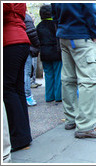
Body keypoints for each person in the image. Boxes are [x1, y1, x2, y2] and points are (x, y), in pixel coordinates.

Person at [51, 3, 96, 138]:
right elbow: (90, 9)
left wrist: (61, 27)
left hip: (64, 35)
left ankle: (71, 119)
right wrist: (94, 33)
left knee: (68, 79)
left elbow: (54, 12)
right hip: (82, 35)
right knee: (89, 81)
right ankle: (86, 125)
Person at [3, 3, 32, 151]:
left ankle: (17, 137)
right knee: (17, 89)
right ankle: (24, 135)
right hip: (21, 40)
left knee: (7, 89)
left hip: (9, 41)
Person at [36, 4, 62, 102]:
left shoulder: (39, 26)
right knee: (58, 74)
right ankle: (58, 96)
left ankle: (49, 96)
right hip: (56, 52)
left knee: (48, 75)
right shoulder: (55, 24)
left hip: (44, 53)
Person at [24, 12, 40, 106]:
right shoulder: (25, 17)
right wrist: (37, 45)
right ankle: (27, 96)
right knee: (26, 73)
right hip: (25, 47)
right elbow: (31, 33)